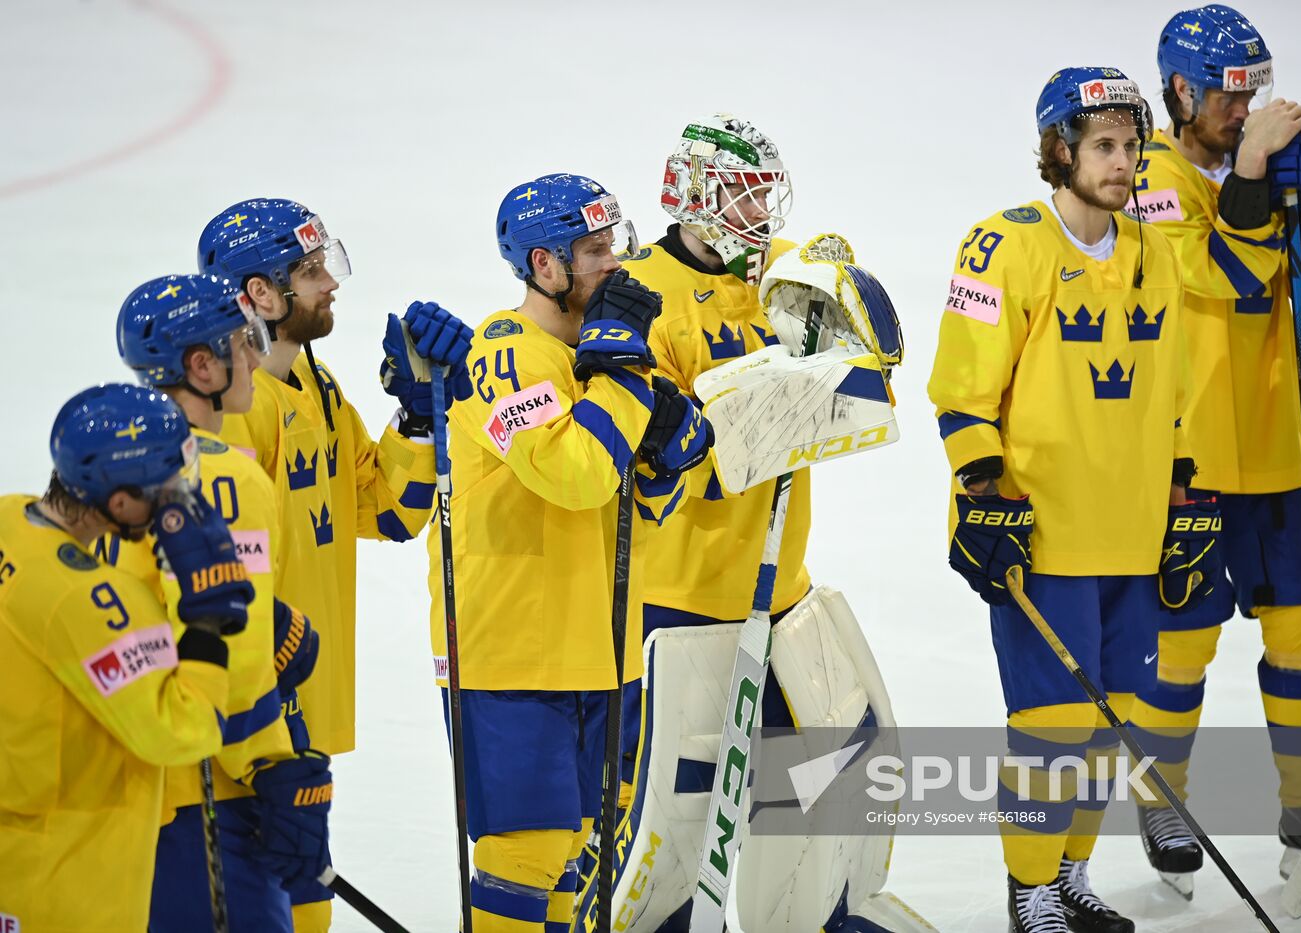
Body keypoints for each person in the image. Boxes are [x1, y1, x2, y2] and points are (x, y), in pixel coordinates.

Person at [597, 114, 924, 933]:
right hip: (682, 603)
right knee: (677, 817)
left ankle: (815, 917)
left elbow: (874, 386)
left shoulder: (788, 270)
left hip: (781, 591)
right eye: (740, 194)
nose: (759, 212)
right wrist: (765, 409)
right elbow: (656, 458)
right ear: (692, 195)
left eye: (763, 193)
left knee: (835, 772)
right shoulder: (637, 295)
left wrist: (844, 337)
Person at [928, 67, 1209, 933]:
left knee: (1113, 721)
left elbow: (1173, 396)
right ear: (1060, 151)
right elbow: (961, 393)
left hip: (1134, 531)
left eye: (1131, 145)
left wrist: (1183, 500)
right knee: (1051, 726)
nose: (1124, 162)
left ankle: (1071, 875)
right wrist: (981, 496)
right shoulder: (1003, 245)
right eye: (1104, 146)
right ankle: (1031, 893)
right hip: (1041, 535)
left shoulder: (1155, 252)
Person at [1129, 4, 1301, 900]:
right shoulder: (1148, 175)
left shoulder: (1265, 163)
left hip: (1279, 448)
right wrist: (1250, 176)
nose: (1244, 111)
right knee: (1179, 646)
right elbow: (1219, 275)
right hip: (1187, 457)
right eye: (1227, 97)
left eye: (1253, 94)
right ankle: (1161, 804)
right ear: (1180, 91)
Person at [424, 172, 711, 933]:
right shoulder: (502, 354)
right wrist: (622, 377)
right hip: (512, 650)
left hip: (601, 646)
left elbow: (641, 508)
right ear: (544, 265)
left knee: (584, 851)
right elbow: (575, 475)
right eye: (593, 250)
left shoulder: (603, 355)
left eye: (614, 243)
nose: (614, 263)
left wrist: (665, 460)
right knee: (528, 853)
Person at [197, 198, 474, 929]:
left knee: (306, 910)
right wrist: (261, 714)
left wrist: (418, 417)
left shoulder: (315, 387)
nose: (331, 283)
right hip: (250, 727)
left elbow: (385, 510)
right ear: (260, 293)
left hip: (298, 718)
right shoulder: (236, 414)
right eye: (312, 271)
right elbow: (222, 593)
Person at [111, 273, 327, 931]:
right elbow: (235, 654)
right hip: (212, 791)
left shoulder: (112, 460)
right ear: (202, 367)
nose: (256, 359)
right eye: (242, 343)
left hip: (131, 786)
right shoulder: (226, 474)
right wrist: (272, 765)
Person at [0, 383, 245, 931]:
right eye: (170, 486)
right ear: (119, 503)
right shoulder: (94, 602)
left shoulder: (9, 517)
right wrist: (207, 625)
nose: (182, 498)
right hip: (70, 888)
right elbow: (183, 732)